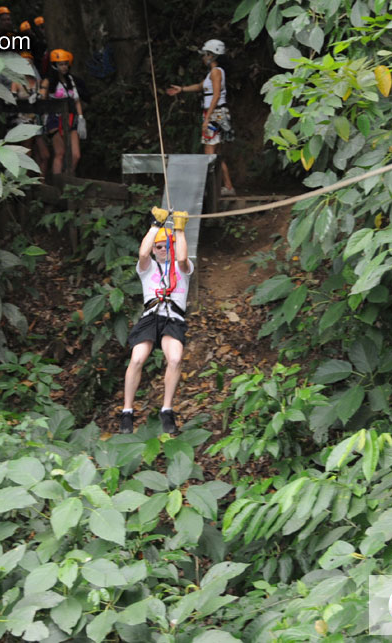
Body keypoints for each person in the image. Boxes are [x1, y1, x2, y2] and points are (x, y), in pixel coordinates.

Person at [119, 208, 193, 434]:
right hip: (151, 317)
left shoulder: (184, 268)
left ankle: (167, 409)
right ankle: (127, 412)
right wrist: (155, 226)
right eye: (159, 246)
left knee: (175, 358)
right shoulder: (147, 267)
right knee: (138, 357)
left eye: (166, 246)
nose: (162, 249)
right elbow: (142, 254)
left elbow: (181, 257)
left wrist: (179, 231)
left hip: (173, 317)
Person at [165, 38, 237, 196]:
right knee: (214, 153)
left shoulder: (216, 72)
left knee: (209, 152)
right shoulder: (212, 73)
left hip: (214, 113)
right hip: (216, 113)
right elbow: (200, 86)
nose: (203, 57)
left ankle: (209, 188)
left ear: (212, 55)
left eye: (205, 54)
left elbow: (216, 95)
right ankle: (228, 186)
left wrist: (207, 119)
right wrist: (181, 89)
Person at [40, 49, 86, 175]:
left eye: (66, 64)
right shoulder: (48, 81)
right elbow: (42, 98)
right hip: (54, 119)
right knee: (60, 153)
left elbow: (76, 100)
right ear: (54, 65)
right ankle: (57, 183)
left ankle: (68, 177)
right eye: (61, 64)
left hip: (71, 117)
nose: (64, 67)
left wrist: (81, 118)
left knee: (75, 154)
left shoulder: (71, 80)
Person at [10, 51, 50, 174]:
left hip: (37, 122)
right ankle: (26, 184)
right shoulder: (16, 83)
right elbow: (12, 101)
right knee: (27, 152)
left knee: (45, 155)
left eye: (30, 64)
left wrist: (39, 94)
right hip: (23, 121)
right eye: (25, 64)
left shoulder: (39, 83)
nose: (28, 66)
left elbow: (44, 100)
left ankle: (41, 181)